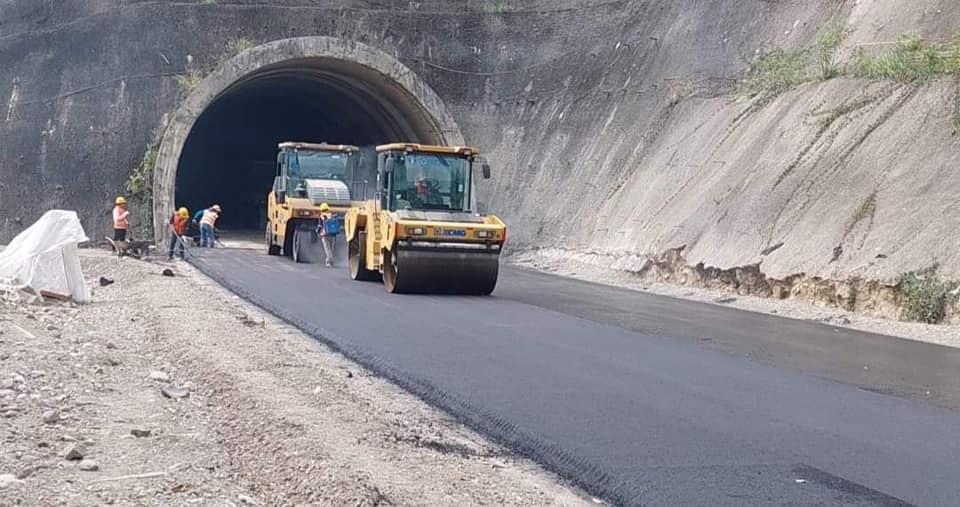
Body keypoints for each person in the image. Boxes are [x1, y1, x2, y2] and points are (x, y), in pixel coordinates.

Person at [317, 202, 339, 267]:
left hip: (325, 234)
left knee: (327, 248)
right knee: (331, 248)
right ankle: (330, 261)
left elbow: (319, 226)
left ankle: (329, 261)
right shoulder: (331, 215)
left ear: (321, 210)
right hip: (332, 234)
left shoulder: (322, 217)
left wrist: (318, 231)